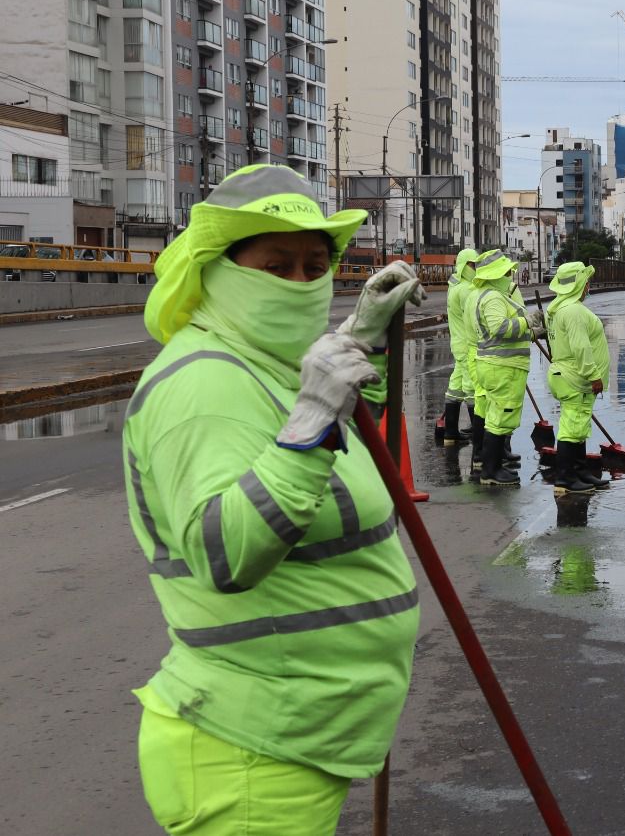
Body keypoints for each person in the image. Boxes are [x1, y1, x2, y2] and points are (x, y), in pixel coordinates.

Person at [123, 164, 425, 836]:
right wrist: (315, 414)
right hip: (251, 750)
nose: (299, 283)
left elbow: (325, 461)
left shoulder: (267, 361)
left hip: (295, 735)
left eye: (315, 265)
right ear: (222, 270)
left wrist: (357, 342)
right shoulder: (201, 384)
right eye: (276, 263)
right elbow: (226, 554)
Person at [467, 248, 538, 486]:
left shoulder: (487, 295)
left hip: (495, 365)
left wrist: (530, 330)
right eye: (507, 271)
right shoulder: (493, 297)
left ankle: (491, 467)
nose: (510, 274)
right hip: (502, 367)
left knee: (495, 418)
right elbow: (500, 328)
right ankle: (491, 471)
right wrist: (526, 321)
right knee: (499, 419)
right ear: (497, 274)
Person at [544, 261, 610, 494]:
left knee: (578, 425)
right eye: (586, 282)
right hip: (576, 377)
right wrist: (594, 376)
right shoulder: (572, 311)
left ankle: (580, 472)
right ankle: (565, 479)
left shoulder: (559, 308)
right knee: (571, 428)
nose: (588, 287)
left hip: (567, 375)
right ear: (579, 284)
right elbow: (581, 348)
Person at [439, 246, 479, 446]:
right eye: (473, 265)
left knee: (456, 387)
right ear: (464, 266)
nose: (476, 268)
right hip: (467, 344)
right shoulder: (465, 289)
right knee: (471, 387)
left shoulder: (454, 286)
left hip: (458, 343)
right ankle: (479, 436)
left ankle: (451, 433)